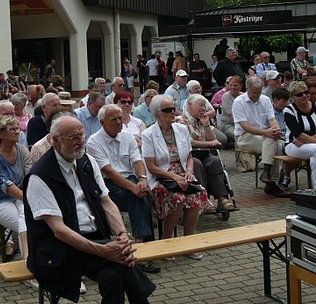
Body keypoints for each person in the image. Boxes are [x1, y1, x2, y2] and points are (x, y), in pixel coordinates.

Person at [25, 115, 155, 302]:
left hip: (95, 239)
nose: (81, 142)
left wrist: (122, 236)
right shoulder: (39, 176)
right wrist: (104, 250)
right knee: (123, 264)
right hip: (59, 249)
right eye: (74, 138)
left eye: (82, 135)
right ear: (56, 141)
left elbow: (106, 202)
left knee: (113, 277)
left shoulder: (87, 161)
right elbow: (59, 230)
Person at [86, 104, 159, 274]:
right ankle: (143, 246)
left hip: (130, 181)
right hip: (107, 186)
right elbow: (109, 172)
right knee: (139, 196)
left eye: (120, 118)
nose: (119, 122)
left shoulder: (128, 137)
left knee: (141, 193)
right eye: (114, 119)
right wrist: (134, 188)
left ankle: (139, 244)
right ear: (102, 122)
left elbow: (137, 161)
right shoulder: (93, 142)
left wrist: (142, 180)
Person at [141, 95, 208, 251]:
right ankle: (167, 241)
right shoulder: (148, 134)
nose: (172, 112)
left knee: (197, 194)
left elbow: (189, 157)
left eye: (173, 108)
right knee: (178, 198)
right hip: (161, 177)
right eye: (167, 110)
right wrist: (174, 176)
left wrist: (189, 171)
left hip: (183, 175)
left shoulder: (181, 129)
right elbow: (151, 167)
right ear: (157, 113)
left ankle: (188, 242)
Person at [0, 114, 30, 261]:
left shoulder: (21, 150)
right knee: (26, 224)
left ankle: (28, 259)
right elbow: (6, 185)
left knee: (29, 219)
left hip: (19, 196)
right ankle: (28, 261)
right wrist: (28, 200)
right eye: (12, 129)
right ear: (0, 134)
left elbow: (30, 174)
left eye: (17, 128)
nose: (17, 132)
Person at [177, 94, 236, 214]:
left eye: (205, 106)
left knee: (214, 161)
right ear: (190, 105)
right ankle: (202, 198)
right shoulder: (180, 121)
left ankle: (222, 199)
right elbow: (189, 142)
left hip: (202, 153)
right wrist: (209, 143)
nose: (204, 108)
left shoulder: (201, 119)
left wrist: (207, 124)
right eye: (201, 105)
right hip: (186, 156)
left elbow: (213, 140)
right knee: (196, 164)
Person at [232, 76, 287, 196]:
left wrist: (276, 130)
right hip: (245, 136)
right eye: (254, 93)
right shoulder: (238, 102)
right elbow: (245, 126)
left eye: (259, 92)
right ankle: (271, 180)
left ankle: (268, 177)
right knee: (274, 143)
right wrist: (267, 133)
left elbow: (272, 119)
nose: (257, 95)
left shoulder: (265, 99)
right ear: (247, 89)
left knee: (277, 144)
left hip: (264, 135)